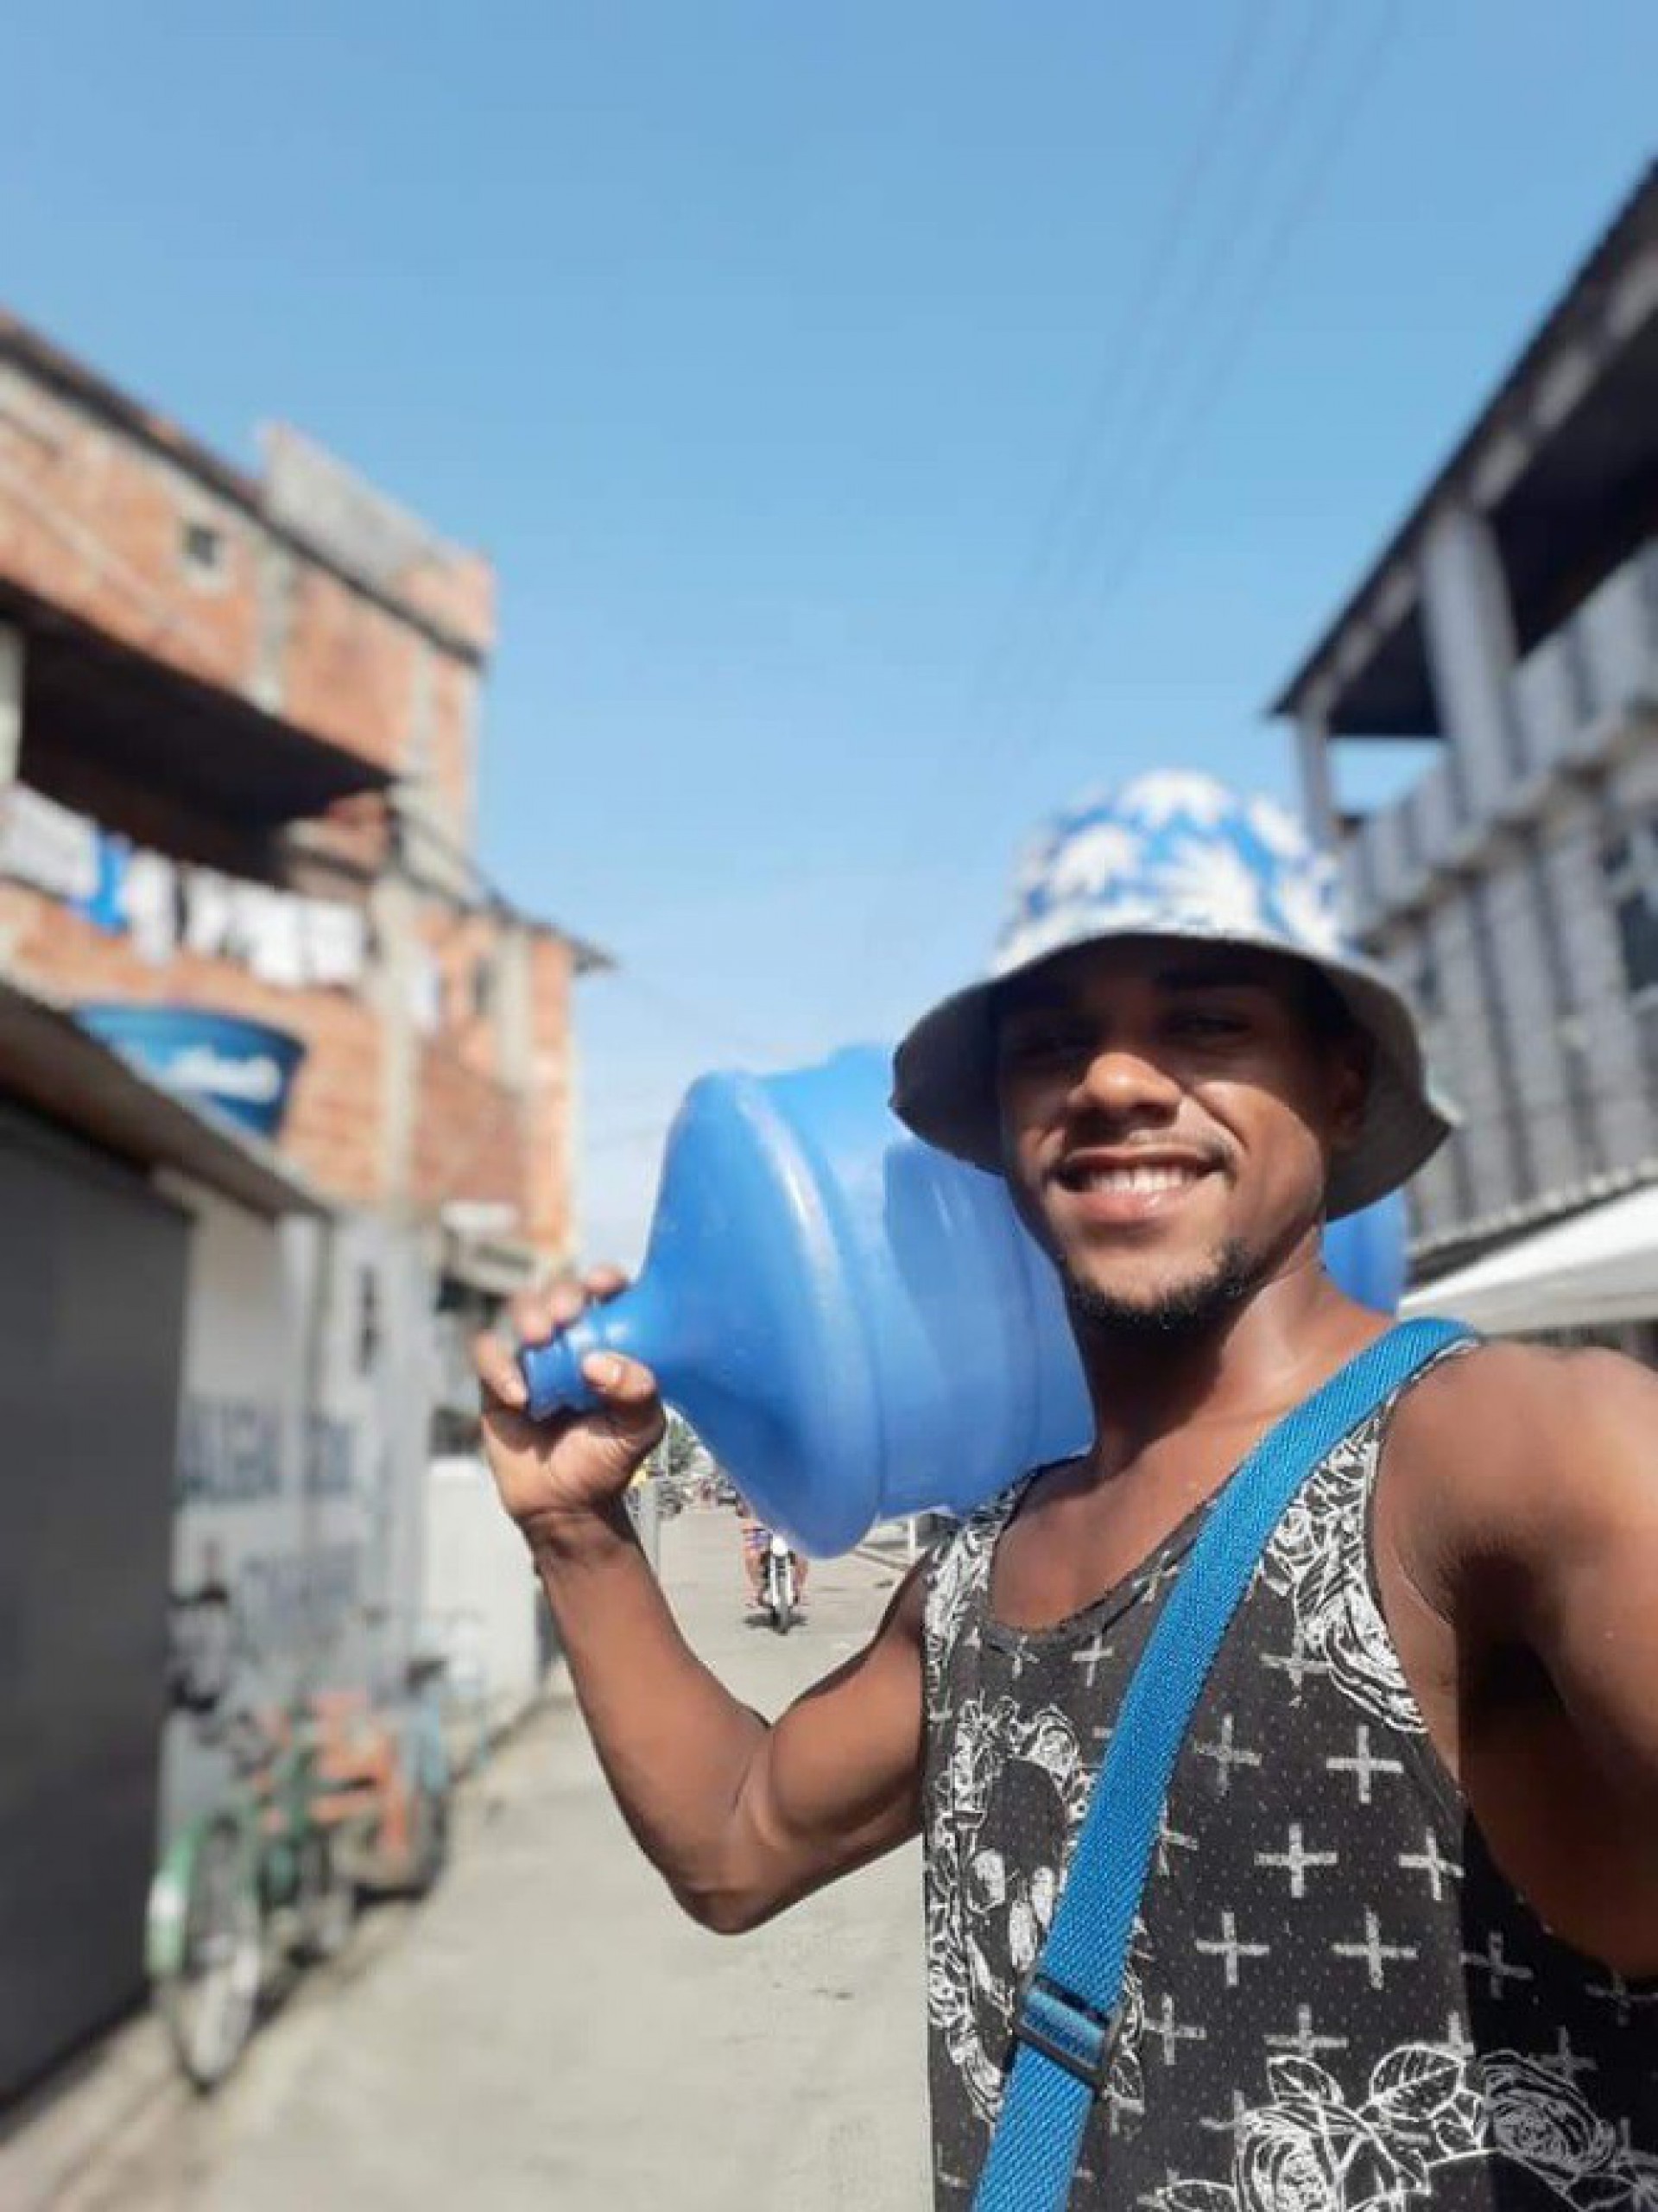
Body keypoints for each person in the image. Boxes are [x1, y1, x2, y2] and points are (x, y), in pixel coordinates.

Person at [474, 773, 1658, 2207]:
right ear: (1000, 1126)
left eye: (1207, 1020)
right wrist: (577, 1532)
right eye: (1052, 1042)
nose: (1111, 1082)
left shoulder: (1513, 1453)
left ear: (1340, 1086)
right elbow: (737, 1837)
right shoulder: (985, 1567)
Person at [733, 1491, 808, 1613]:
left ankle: (799, 1587)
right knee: (752, 1555)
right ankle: (756, 1587)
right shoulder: (752, 1486)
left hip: (789, 1528)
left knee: (802, 1555)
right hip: (760, 1528)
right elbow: (742, 1510)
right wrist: (745, 1516)